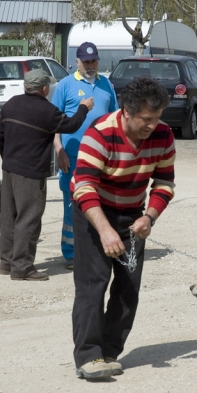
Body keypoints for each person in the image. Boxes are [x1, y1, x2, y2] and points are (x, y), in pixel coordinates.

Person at [70, 76, 174, 379]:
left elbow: (165, 183)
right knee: (94, 283)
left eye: (156, 118)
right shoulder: (99, 133)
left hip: (132, 215)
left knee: (129, 287)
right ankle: (88, 357)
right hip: (93, 212)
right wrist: (104, 230)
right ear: (126, 111)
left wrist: (149, 217)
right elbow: (85, 188)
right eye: (146, 118)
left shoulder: (164, 136)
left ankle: (108, 351)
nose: (153, 125)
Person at [0, 69, 94, 281]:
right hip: (30, 172)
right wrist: (83, 108)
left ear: (26, 86)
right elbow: (71, 125)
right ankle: (22, 267)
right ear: (45, 88)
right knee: (29, 218)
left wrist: (8, 157)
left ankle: (7, 263)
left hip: (9, 170)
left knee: (10, 217)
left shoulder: (10, 104)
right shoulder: (46, 111)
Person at [52, 41, 119, 271]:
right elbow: (54, 123)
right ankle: (71, 254)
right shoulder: (65, 85)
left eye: (94, 61)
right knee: (73, 205)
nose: (91, 65)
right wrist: (59, 150)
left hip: (102, 159)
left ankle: (99, 248)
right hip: (72, 158)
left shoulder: (106, 84)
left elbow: (115, 119)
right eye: (86, 61)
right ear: (77, 62)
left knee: (100, 203)